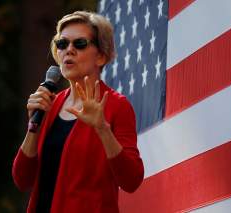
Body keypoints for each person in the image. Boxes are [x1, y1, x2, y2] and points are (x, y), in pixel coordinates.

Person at [12, 11, 144, 213]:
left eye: (79, 44)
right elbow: (22, 179)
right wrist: (33, 126)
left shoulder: (117, 105)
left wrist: (102, 129)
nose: (69, 50)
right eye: (62, 44)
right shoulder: (50, 104)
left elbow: (131, 180)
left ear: (101, 56)